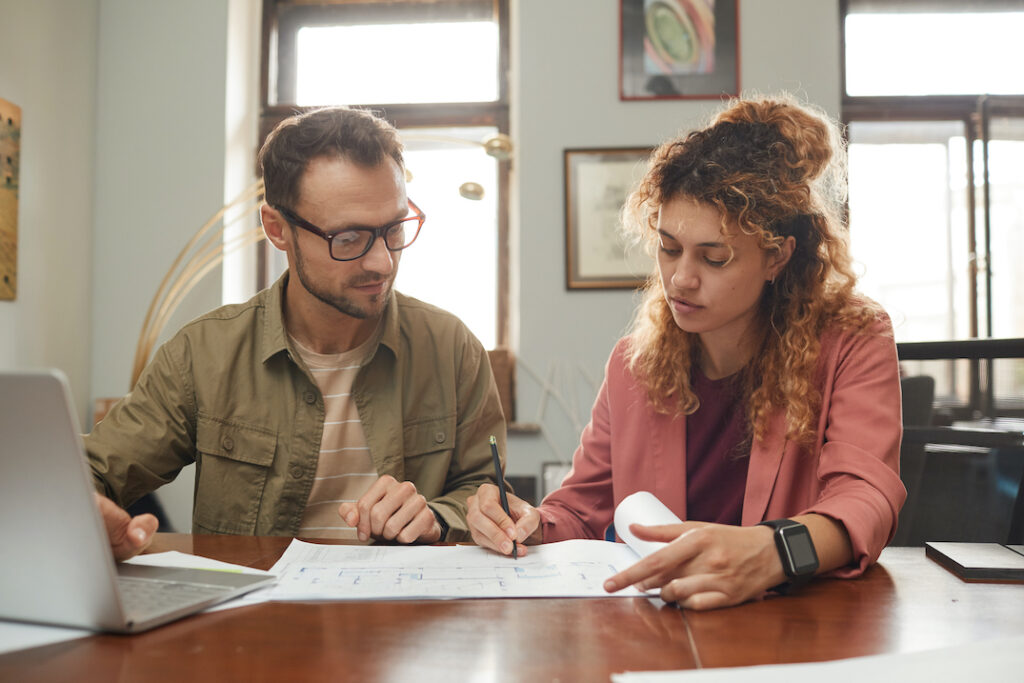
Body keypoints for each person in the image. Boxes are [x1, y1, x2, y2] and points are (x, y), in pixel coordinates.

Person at [467, 94, 907, 610]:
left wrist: (772, 551)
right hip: (665, 631)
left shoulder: (852, 339)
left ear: (776, 256)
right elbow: (582, 509)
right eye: (669, 247)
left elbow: (867, 501)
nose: (680, 278)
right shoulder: (635, 364)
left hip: (796, 626)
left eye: (714, 257)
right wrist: (526, 522)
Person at [88, 106, 507, 559]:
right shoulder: (202, 355)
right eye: (348, 239)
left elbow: (487, 491)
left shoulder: (452, 349)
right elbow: (93, 471)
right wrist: (84, 508)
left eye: (394, 229)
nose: (382, 262)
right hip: (253, 620)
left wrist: (438, 518)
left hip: (408, 616)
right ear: (277, 229)